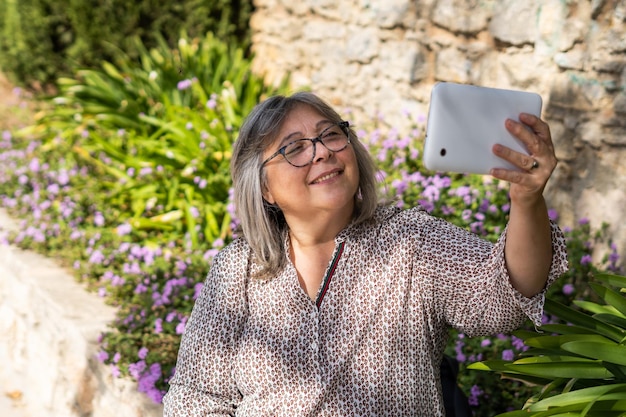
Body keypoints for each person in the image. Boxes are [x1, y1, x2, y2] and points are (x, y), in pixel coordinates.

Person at [162, 91, 569, 416]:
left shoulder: (410, 241)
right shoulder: (239, 268)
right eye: (294, 148)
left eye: (330, 135)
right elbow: (194, 394)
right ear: (265, 188)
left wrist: (527, 199)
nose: (321, 152)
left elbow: (502, 297)